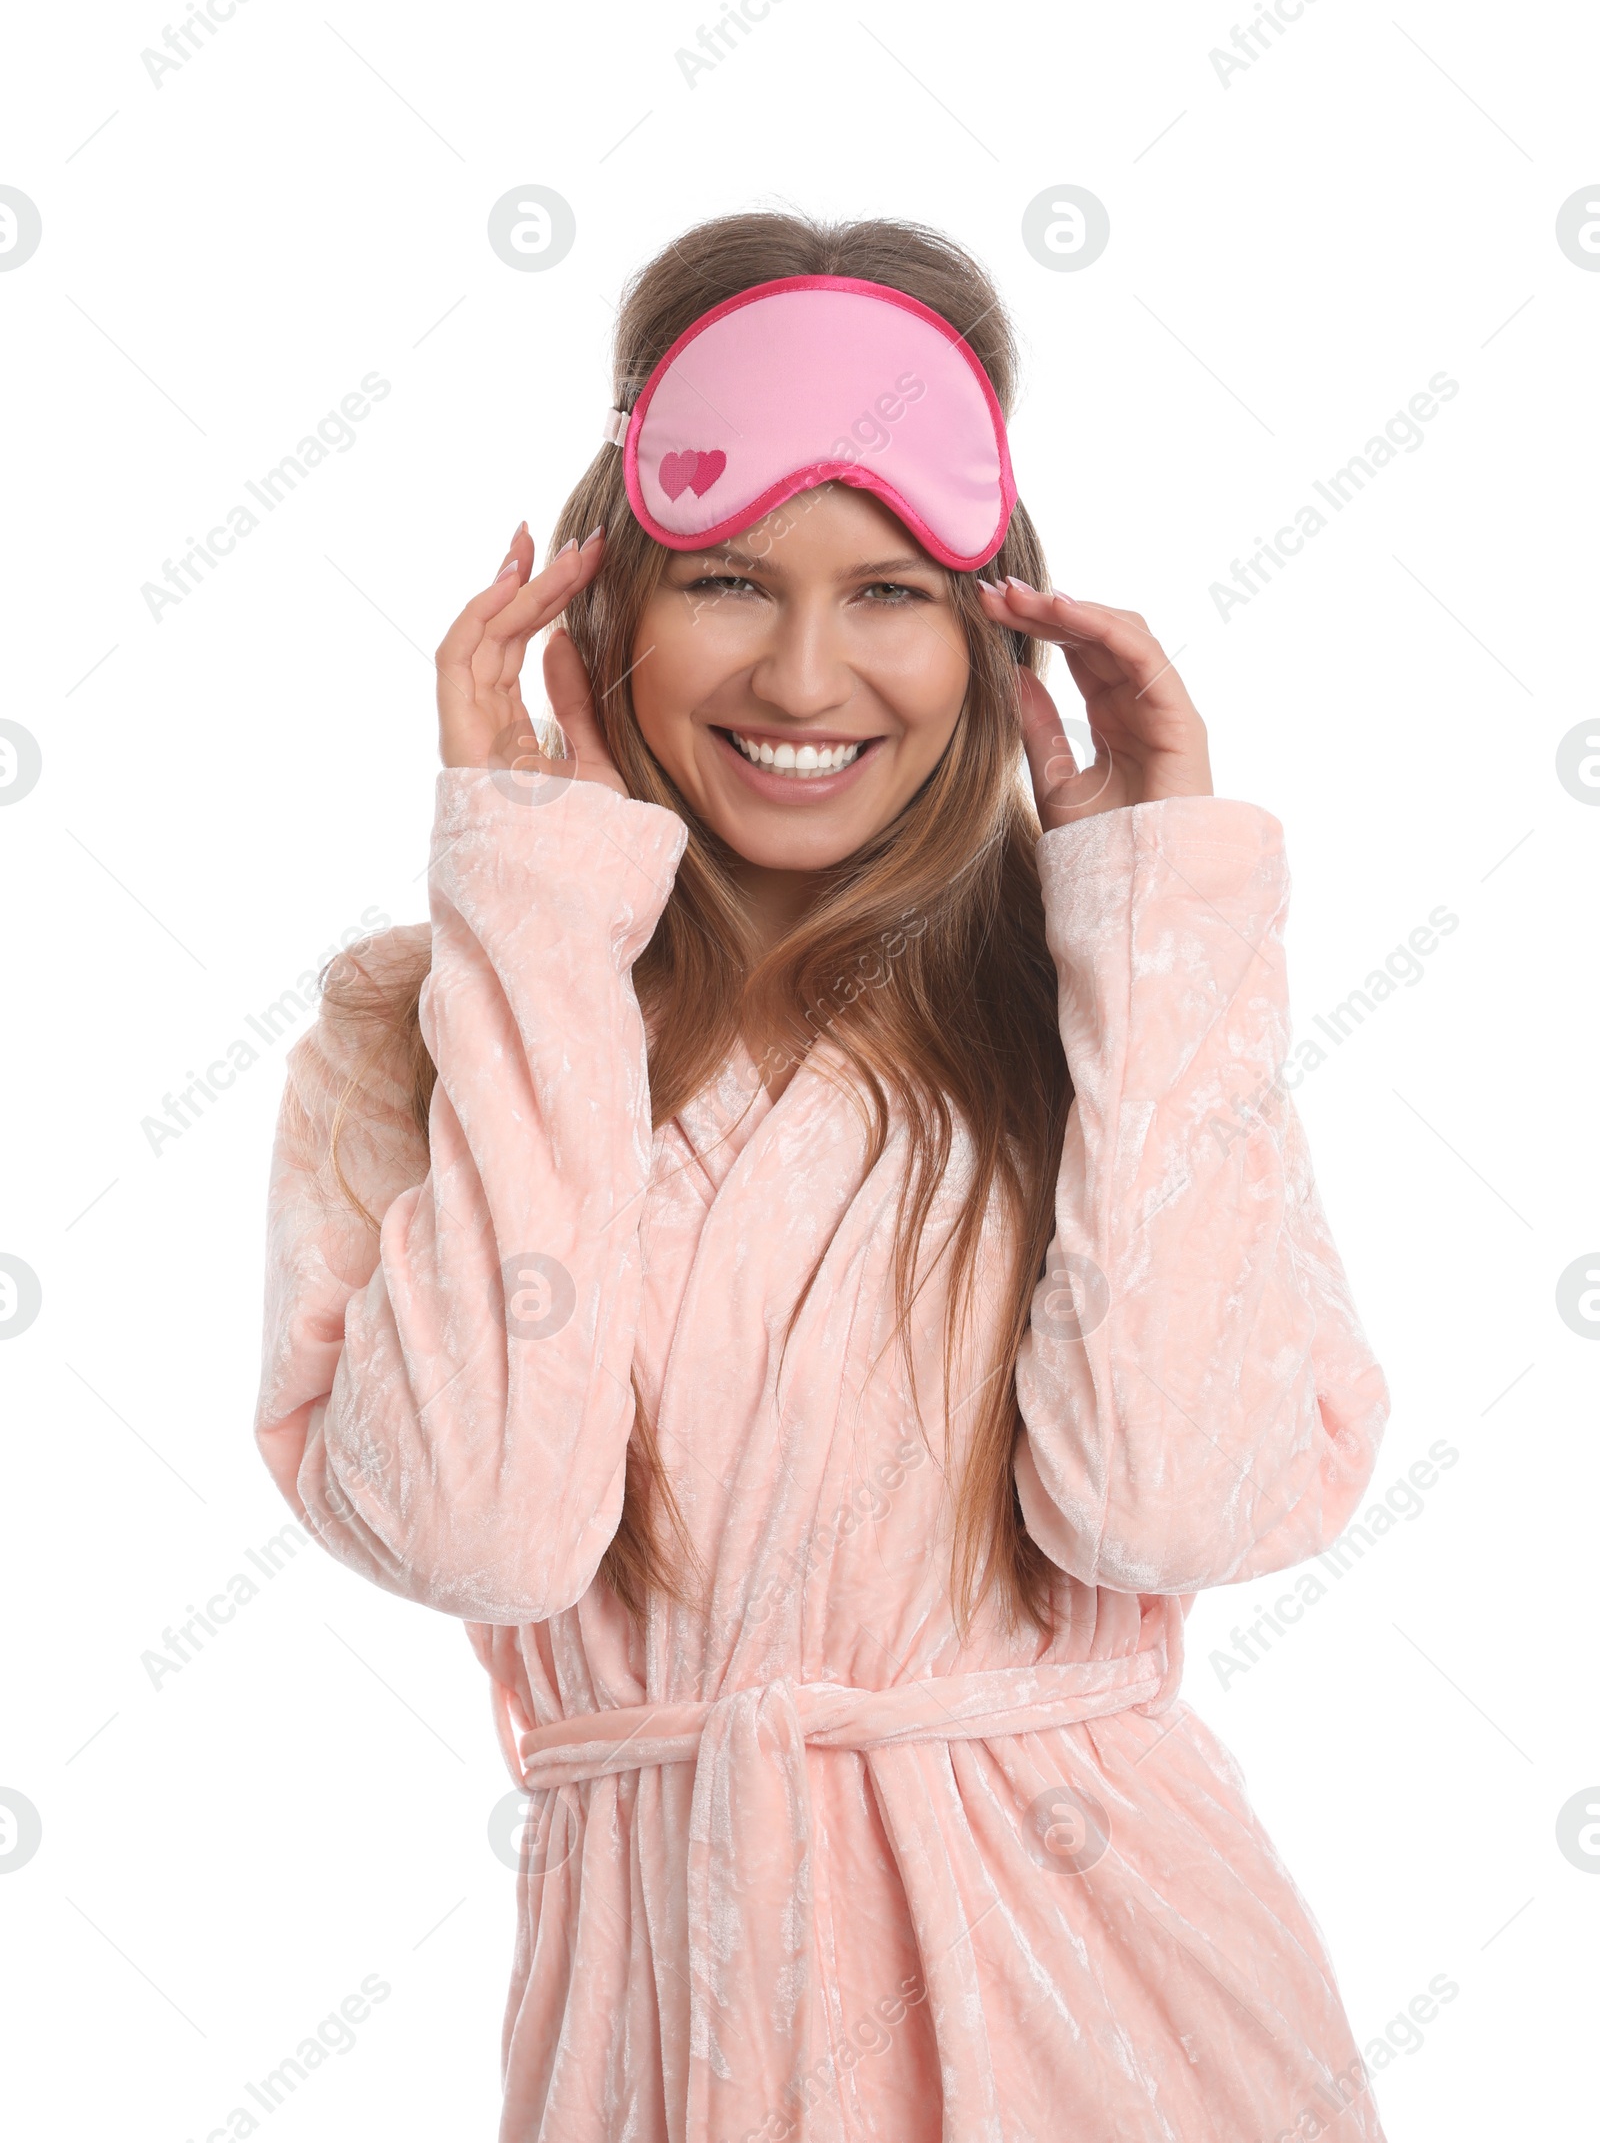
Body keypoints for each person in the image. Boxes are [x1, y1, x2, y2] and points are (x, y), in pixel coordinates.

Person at [254, 212, 1391, 2142]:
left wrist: (1160, 921)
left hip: (1125, 2020)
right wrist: (530, 915)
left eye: (888, 592)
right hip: (665, 2015)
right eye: (722, 579)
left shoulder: (1106, 995)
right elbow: (481, 1530)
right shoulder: (422, 1020)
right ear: (593, 610)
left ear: (990, 625)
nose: (804, 670)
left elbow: (1167, 1500)